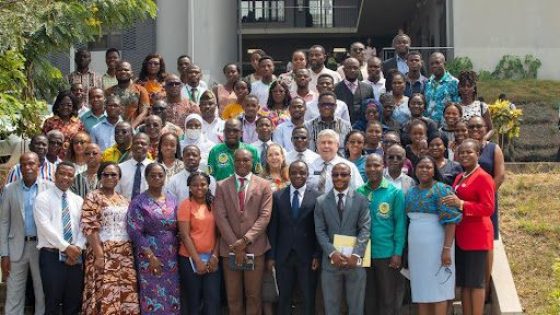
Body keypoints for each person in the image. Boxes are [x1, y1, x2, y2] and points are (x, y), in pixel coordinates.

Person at [213, 149, 273, 315]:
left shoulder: (264, 185)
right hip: (230, 250)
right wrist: (235, 245)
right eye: (238, 160)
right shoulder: (222, 185)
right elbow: (220, 217)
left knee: (253, 296)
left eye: (246, 160)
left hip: (255, 249)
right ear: (233, 161)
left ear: (252, 162)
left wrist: (245, 240)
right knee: (233, 297)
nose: (242, 163)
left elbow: (265, 216)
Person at [441, 139, 496, 315]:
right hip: (462, 237)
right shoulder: (459, 176)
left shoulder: (483, 177)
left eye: (469, 152)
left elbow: (488, 208)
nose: (464, 155)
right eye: (461, 152)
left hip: (477, 237)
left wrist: (462, 204)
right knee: (464, 283)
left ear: (478, 154)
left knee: (476, 283)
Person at [81, 162, 140, 314]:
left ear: (119, 178)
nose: (109, 177)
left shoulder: (124, 200)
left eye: (113, 174)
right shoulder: (93, 196)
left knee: (124, 292)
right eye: (105, 174)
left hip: (124, 254)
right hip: (102, 252)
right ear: (100, 177)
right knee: (104, 292)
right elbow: (89, 225)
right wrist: (99, 254)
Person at [406, 156, 462, 315]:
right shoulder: (411, 191)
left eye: (428, 167)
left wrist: (446, 249)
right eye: (421, 167)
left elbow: (451, 221)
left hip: (438, 246)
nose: (424, 170)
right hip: (417, 250)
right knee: (421, 290)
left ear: (434, 171)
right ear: (415, 170)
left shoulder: (442, 189)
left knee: (439, 289)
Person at [314, 162, 371, 315]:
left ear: (350, 177)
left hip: (355, 262)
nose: (339, 178)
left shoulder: (361, 200)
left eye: (343, 174)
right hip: (331, 262)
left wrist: (356, 254)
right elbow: (320, 231)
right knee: (331, 307)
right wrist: (332, 252)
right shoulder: (321, 201)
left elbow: (365, 229)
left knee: (356, 307)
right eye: (335, 174)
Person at [1, 152, 52, 315]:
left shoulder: (49, 188)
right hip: (16, 247)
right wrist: (4, 254)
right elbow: (4, 222)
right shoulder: (9, 189)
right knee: (14, 294)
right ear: (20, 168)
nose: (28, 167)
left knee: (41, 293)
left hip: (41, 248)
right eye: (24, 164)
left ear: (39, 166)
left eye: (32, 163)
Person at [268, 161, 321, 315]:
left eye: (302, 173)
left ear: (307, 175)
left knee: (307, 296)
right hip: (283, 256)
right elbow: (273, 228)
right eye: (294, 173)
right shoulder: (278, 196)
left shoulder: (317, 197)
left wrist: (317, 254)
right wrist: (272, 256)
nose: (298, 175)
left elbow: (319, 229)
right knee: (284, 297)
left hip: (307, 257)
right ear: (288, 175)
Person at [127, 163, 180, 314]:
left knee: (171, 294)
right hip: (149, 254)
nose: (157, 178)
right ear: (147, 178)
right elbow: (134, 231)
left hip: (171, 256)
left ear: (165, 178)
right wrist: (150, 256)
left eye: (160, 175)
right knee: (152, 294)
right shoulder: (138, 202)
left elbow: (178, 226)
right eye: (153, 175)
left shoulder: (172, 200)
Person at [34, 162, 86, 314]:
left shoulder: (78, 200)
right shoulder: (42, 198)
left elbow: (84, 227)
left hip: (75, 258)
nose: (66, 177)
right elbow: (45, 227)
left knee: (73, 302)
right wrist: (67, 248)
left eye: (70, 175)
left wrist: (77, 247)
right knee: (52, 301)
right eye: (62, 173)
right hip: (52, 257)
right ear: (55, 175)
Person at [357, 154, 406, 315]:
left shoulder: (394, 192)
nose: (372, 169)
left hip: (386, 253)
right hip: (363, 253)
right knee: (368, 298)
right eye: (369, 166)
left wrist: (397, 252)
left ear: (383, 166)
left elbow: (400, 225)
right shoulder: (359, 192)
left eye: (376, 165)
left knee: (387, 298)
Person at [177, 171, 220, 315]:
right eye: (194, 185)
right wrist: (197, 261)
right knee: (193, 300)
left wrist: (215, 256)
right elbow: (184, 235)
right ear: (189, 187)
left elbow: (220, 233)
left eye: (203, 184)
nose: (199, 187)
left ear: (209, 185)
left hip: (211, 259)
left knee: (212, 299)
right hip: (189, 260)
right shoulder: (185, 205)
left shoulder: (215, 204)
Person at [467, 115, 505, 240]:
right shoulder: (462, 149)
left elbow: (499, 176)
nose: (475, 129)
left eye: (479, 126)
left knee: (486, 237)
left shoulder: (494, 148)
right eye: (471, 126)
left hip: (487, 199)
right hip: (467, 200)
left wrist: (485, 196)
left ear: (486, 128)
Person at [307, 129, 364, 194]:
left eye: (330, 142)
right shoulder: (309, 166)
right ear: (317, 145)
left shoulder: (349, 167)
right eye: (323, 142)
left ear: (337, 145)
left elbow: (359, 191)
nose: (326, 146)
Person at [105, 61, 150, 129]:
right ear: (115, 73)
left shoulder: (141, 90)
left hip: (135, 129)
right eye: (120, 70)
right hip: (113, 128)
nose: (123, 72)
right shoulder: (108, 91)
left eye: (126, 70)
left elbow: (144, 112)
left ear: (132, 73)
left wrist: (131, 127)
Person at [42, 91, 85, 159]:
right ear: (58, 105)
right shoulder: (49, 122)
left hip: (72, 160)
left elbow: (82, 143)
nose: (65, 107)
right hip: (52, 160)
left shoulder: (78, 123)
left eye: (69, 105)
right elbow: (43, 142)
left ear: (73, 107)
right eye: (62, 104)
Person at [334, 57, 375, 124]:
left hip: (362, 126)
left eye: (355, 68)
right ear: (344, 70)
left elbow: (372, 108)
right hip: (341, 126)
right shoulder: (335, 88)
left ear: (359, 69)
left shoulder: (367, 88)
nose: (352, 70)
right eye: (349, 68)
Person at [424, 52, 460, 126]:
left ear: (445, 64)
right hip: (430, 127)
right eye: (432, 64)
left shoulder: (454, 82)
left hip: (447, 127)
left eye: (437, 63)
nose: (434, 66)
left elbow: (458, 106)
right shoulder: (428, 83)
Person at [116, 133, 153, 201]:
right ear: (131, 145)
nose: (139, 146)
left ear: (149, 147)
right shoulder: (120, 168)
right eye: (136, 143)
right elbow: (116, 193)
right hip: (125, 208)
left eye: (143, 143)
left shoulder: (155, 168)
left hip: (149, 209)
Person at [458, 70, 493, 137]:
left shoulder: (482, 106)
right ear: (459, 87)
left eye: (469, 86)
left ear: (474, 88)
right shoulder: (455, 108)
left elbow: (491, 129)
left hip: (478, 145)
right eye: (463, 86)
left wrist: (484, 140)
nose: (466, 89)